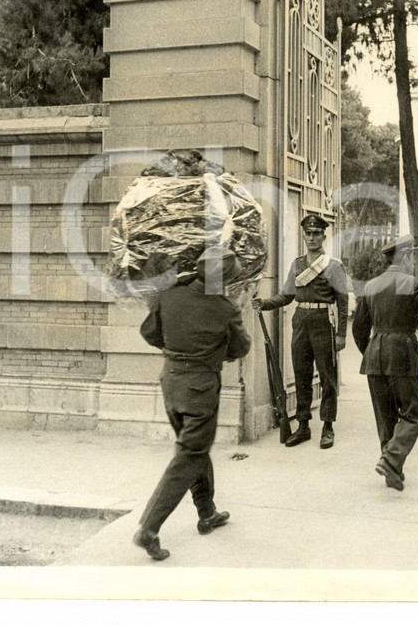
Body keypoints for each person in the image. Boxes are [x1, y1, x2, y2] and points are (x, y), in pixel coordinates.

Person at [132, 247, 251, 561]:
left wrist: (178, 348)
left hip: (171, 384)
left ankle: (206, 512)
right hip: (201, 389)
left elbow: (149, 332)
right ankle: (149, 528)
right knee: (190, 455)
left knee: (194, 448)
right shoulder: (225, 309)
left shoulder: (169, 296)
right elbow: (240, 348)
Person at [352, 234, 418, 491]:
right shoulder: (412, 283)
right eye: (411, 256)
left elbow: (358, 329)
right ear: (405, 257)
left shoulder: (371, 286)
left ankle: (391, 470)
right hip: (403, 352)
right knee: (412, 415)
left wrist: (370, 352)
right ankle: (391, 460)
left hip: (375, 356)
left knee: (386, 418)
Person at [252, 213, 350, 449]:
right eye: (308, 233)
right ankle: (303, 425)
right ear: (304, 236)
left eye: (316, 233)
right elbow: (286, 296)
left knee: (327, 377)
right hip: (300, 322)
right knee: (301, 375)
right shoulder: (297, 265)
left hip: (323, 321)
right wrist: (264, 303)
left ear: (324, 236)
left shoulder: (333, 266)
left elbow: (343, 302)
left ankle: (327, 426)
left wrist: (341, 334)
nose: (312, 237)